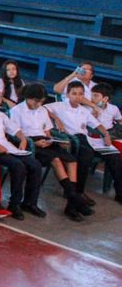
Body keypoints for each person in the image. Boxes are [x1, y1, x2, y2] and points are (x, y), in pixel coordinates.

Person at [10, 83, 89, 221]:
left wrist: (52, 140)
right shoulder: (17, 111)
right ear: (29, 98)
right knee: (56, 160)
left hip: (44, 140)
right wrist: (34, 143)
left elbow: (47, 130)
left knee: (72, 161)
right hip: (29, 142)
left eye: (41, 101)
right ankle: (75, 199)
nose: (39, 104)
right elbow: (16, 134)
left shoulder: (42, 110)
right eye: (37, 101)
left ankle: (71, 203)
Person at [0, 89, 44, 220]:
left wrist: (22, 139)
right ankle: (14, 204)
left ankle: (29, 202)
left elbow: (14, 129)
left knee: (35, 165)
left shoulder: (1, 115)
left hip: (7, 148)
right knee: (18, 167)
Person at [47, 81, 122, 205]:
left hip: (86, 139)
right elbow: (43, 108)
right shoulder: (59, 105)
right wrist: (57, 119)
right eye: (74, 94)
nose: (77, 97)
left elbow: (97, 125)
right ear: (68, 94)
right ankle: (78, 192)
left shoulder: (84, 110)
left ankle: (120, 193)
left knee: (114, 156)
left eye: (80, 94)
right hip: (71, 139)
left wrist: (106, 134)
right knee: (86, 156)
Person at [90, 83, 121, 153]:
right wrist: (95, 111)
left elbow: (119, 120)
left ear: (105, 98)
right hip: (95, 134)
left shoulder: (113, 108)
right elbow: (90, 123)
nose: (92, 98)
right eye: (92, 95)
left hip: (111, 133)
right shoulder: (88, 108)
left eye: (96, 96)